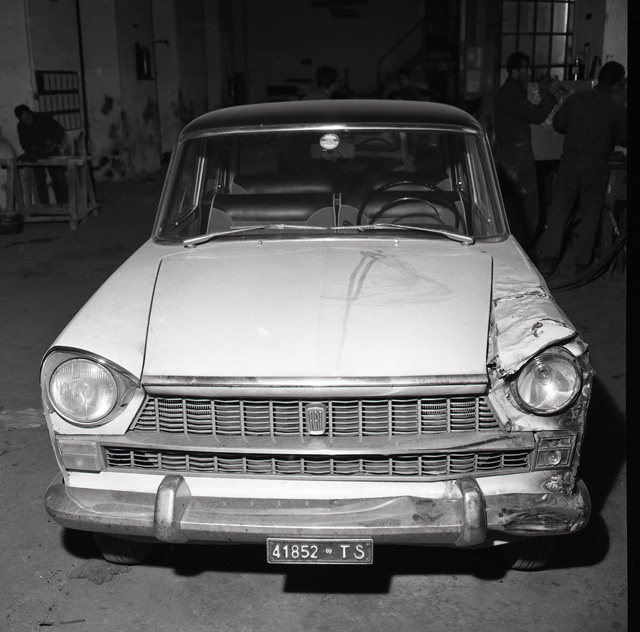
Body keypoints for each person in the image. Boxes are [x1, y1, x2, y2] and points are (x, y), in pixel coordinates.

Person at [539, 61, 627, 278]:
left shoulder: (576, 98)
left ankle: (548, 262)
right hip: (596, 165)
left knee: (558, 212)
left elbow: (558, 124)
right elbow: (624, 138)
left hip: (569, 161)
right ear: (616, 84)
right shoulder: (614, 107)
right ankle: (581, 266)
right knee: (590, 215)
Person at [493, 52, 561, 256]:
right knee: (528, 204)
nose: (528, 72)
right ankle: (523, 251)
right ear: (514, 71)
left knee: (515, 203)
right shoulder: (511, 94)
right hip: (517, 155)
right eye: (524, 68)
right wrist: (550, 94)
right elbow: (537, 115)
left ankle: (517, 248)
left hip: (510, 153)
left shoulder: (511, 92)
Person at [14, 104, 69, 204]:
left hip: (52, 150)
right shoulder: (21, 126)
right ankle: (42, 208)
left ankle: (64, 206)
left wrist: (54, 143)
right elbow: (24, 144)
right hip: (37, 153)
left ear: (31, 114)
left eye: (27, 119)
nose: (27, 123)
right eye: (23, 121)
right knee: (38, 182)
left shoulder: (44, 118)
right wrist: (34, 148)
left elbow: (59, 130)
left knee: (59, 179)